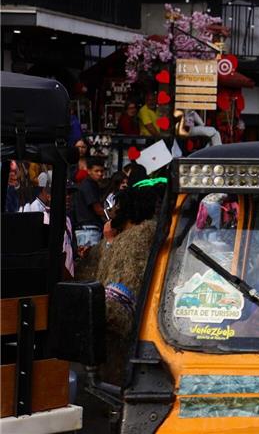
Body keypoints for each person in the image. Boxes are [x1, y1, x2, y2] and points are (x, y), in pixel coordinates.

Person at [78, 184, 159, 384]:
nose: (113, 212)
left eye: (118, 208)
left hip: (121, 336)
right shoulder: (138, 236)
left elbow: (115, 286)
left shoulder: (132, 241)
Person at [74, 157, 106, 251]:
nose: (100, 174)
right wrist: (112, 214)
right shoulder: (88, 185)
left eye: (102, 171)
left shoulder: (92, 184)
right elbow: (98, 209)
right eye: (96, 171)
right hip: (88, 231)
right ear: (89, 171)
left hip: (88, 230)